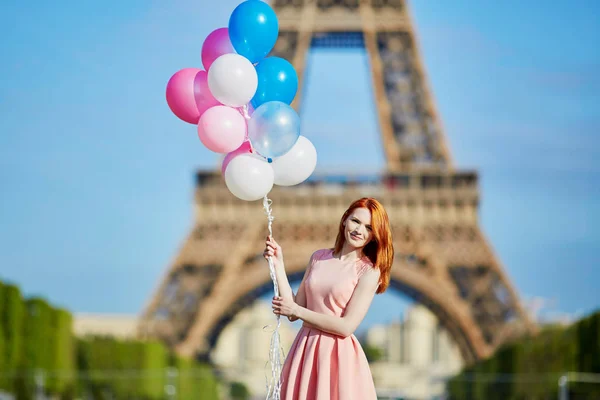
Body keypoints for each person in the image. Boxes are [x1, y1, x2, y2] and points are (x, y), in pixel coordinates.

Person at [263, 197, 394, 400]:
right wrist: (278, 264)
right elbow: (295, 308)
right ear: (344, 220)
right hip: (305, 349)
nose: (359, 230)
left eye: (369, 227)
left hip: (337, 356)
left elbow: (346, 326)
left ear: (375, 235)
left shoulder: (369, 271)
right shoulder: (318, 257)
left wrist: (296, 311)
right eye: (355, 221)